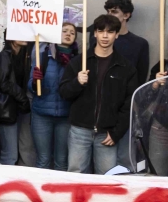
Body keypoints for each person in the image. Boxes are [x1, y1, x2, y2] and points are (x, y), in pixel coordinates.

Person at [58, 14, 139, 175]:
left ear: (116, 34)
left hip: (107, 133)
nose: (105, 36)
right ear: (95, 33)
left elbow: (129, 103)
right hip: (80, 130)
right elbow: (64, 93)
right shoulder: (79, 62)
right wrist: (77, 82)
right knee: (76, 175)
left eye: (110, 32)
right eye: (101, 31)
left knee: (107, 180)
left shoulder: (125, 67)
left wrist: (116, 132)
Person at [28, 22, 77, 171]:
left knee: (61, 161)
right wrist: (36, 81)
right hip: (41, 115)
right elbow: (31, 87)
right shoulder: (43, 54)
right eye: (64, 31)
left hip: (65, 117)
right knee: (43, 159)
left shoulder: (78, 60)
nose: (68, 34)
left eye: (72, 32)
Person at [0, 39, 30, 165]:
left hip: (15, 109)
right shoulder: (5, 56)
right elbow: (3, 83)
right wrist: (22, 96)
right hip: (6, 110)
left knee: (12, 153)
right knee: (10, 155)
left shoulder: (21, 55)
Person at [102, 0, 150, 81]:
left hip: (128, 91)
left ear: (126, 15)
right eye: (108, 11)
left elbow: (141, 77)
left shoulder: (140, 44)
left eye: (114, 11)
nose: (109, 15)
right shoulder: (98, 40)